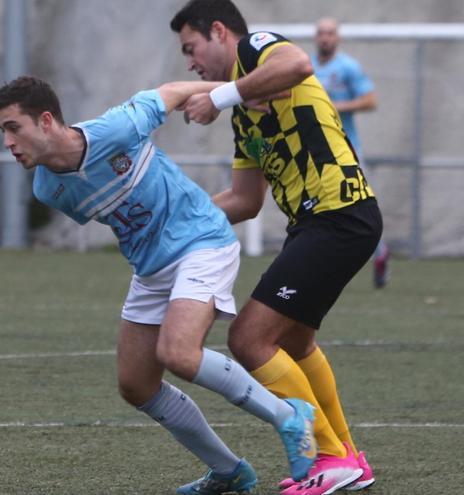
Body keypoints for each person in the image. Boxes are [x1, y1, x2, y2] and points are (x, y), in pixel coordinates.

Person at [0, 75, 317, 495]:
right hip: (151, 270)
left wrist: (240, 91)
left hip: (202, 242)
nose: (7, 142)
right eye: (2, 131)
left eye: (13, 127)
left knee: (179, 353)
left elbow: (175, 92)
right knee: (136, 384)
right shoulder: (48, 189)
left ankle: (288, 416)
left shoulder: (118, 127)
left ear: (47, 121)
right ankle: (229, 471)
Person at [170, 1, 380, 493]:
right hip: (322, 223)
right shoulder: (245, 115)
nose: (189, 63)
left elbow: (298, 64)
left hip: (336, 213)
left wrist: (219, 96)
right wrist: (173, 221)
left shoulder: (255, 48)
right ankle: (348, 458)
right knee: (295, 343)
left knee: (247, 339)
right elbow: (244, 200)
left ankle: (329, 455)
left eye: (191, 48)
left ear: (218, 31)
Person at [313, 17, 390, 289]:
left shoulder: (347, 67)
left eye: (330, 33)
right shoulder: (305, 67)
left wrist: (335, 106)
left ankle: (379, 252)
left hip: (347, 149)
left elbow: (371, 100)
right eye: (321, 33)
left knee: (361, 202)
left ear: (338, 37)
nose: (325, 38)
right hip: (315, 151)